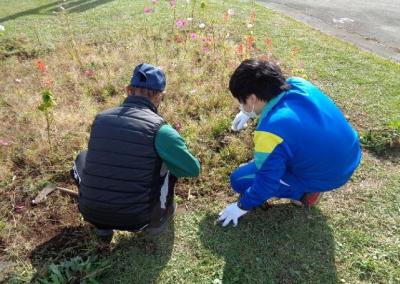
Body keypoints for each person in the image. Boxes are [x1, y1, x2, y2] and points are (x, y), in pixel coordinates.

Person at [218, 59, 361, 227]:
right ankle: (308, 178)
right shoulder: (298, 83)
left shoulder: (271, 130)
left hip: (330, 174)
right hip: (349, 153)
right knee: (281, 155)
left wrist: (241, 206)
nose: (241, 106)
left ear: (252, 98)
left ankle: (306, 193)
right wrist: (248, 113)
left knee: (239, 179)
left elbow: (267, 183)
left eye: (242, 101)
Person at [71, 63, 200, 239]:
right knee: (168, 164)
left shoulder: (100, 119)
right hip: (137, 219)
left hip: (91, 213)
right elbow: (192, 169)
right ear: (161, 96)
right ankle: (159, 219)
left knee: (83, 158)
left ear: (128, 90)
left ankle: (102, 226)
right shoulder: (162, 130)